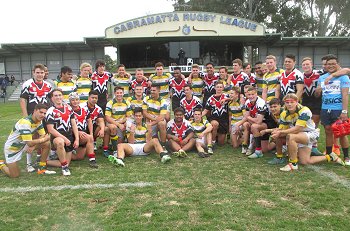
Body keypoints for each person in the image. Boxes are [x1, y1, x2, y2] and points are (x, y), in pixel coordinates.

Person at [272, 94, 344, 172]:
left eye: (292, 102)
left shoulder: (304, 110)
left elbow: (297, 129)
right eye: (287, 102)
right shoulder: (284, 114)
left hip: (311, 133)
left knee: (290, 137)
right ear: (284, 103)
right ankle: (330, 157)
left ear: (297, 102)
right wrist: (274, 132)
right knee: (305, 161)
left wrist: (280, 132)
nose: (289, 104)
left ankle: (293, 164)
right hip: (299, 135)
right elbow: (282, 129)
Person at [0, 104, 56, 178]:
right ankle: (1, 164)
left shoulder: (39, 121)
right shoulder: (25, 123)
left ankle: (42, 168)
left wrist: (34, 145)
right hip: (12, 149)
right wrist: (42, 140)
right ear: (35, 111)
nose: (42, 115)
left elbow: (43, 135)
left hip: (23, 145)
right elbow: (31, 142)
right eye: (41, 112)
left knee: (47, 144)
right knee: (14, 175)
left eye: (44, 113)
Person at [315, 55, 350, 165]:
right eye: (328, 64)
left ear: (337, 64)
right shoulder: (322, 77)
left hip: (338, 109)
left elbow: (345, 95)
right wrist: (318, 89)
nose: (330, 66)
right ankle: (330, 154)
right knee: (328, 131)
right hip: (325, 109)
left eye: (333, 64)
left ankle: (347, 157)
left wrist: (344, 111)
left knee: (342, 133)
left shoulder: (343, 77)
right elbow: (317, 95)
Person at [20, 63, 53, 172]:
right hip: (31, 116)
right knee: (31, 139)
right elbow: (23, 100)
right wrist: (25, 117)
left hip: (44, 116)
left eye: (41, 73)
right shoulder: (27, 84)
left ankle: (44, 159)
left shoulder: (48, 85)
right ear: (33, 73)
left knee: (44, 137)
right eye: (37, 72)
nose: (39, 75)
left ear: (45, 73)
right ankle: (28, 163)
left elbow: (49, 100)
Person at [46, 89, 79, 176]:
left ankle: (44, 161)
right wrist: (64, 139)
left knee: (66, 162)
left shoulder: (68, 108)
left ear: (63, 96)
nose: (58, 97)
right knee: (60, 142)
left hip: (69, 136)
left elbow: (74, 124)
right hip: (57, 137)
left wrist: (77, 139)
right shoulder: (50, 111)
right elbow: (50, 129)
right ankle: (64, 168)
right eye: (55, 95)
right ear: (52, 98)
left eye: (60, 95)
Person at [301, 57, 323, 156]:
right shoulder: (300, 76)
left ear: (312, 65)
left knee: (315, 123)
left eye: (307, 64)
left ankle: (314, 146)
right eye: (304, 65)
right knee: (306, 122)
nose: (306, 66)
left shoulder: (319, 74)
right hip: (305, 100)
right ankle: (306, 143)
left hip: (316, 100)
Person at [68, 92, 98, 168]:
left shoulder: (84, 110)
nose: (75, 102)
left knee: (79, 157)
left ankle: (61, 154)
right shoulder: (68, 110)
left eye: (77, 99)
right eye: (73, 100)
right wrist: (77, 132)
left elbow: (89, 121)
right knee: (89, 138)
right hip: (71, 135)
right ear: (70, 101)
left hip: (82, 135)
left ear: (79, 100)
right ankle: (92, 160)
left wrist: (91, 133)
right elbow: (65, 125)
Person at [240, 86, 269, 158]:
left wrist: (248, 117)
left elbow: (259, 121)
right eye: (249, 95)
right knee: (246, 124)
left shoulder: (261, 102)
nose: (251, 96)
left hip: (267, 123)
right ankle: (247, 145)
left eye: (253, 94)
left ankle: (258, 151)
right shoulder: (247, 102)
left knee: (254, 126)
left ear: (256, 94)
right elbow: (248, 117)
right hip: (256, 122)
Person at [202, 81, 230, 146]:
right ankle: (212, 141)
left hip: (224, 120)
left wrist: (226, 99)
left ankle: (216, 136)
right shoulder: (210, 98)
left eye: (220, 87)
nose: (219, 89)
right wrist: (198, 116)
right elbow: (206, 110)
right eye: (217, 87)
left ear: (223, 88)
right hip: (214, 118)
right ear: (214, 88)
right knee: (215, 124)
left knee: (221, 143)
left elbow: (233, 98)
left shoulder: (226, 96)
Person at [82, 90, 109, 156]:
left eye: (96, 98)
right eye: (92, 98)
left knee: (106, 129)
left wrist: (102, 130)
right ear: (88, 98)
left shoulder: (98, 108)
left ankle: (105, 149)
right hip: (83, 129)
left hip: (93, 129)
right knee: (83, 154)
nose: (94, 100)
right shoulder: (82, 107)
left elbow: (101, 121)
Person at [105, 87, 133, 151]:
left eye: (121, 93)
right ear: (115, 93)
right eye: (117, 93)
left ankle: (129, 142)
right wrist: (118, 124)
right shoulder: (110, 103)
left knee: (129, 124)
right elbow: (107, 117)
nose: (119, 94)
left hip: (122, 122)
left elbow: (129, 116)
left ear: (123, 93)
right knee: (113, 127)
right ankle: (115, 150)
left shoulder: (127, 103)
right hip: (112, 122)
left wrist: (121, 123)